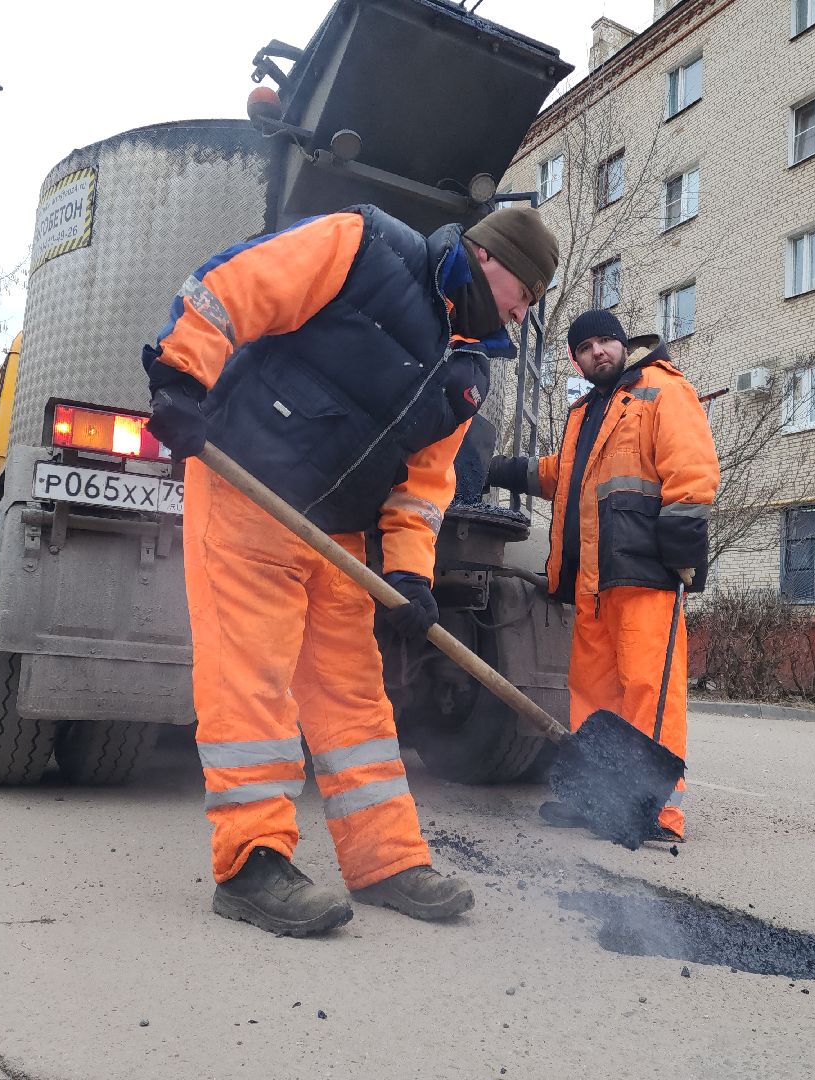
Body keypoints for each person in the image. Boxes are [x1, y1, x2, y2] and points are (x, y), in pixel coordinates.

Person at [142, 204, 559, 936]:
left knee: (356, 700)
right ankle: (253, 863)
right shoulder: (365, 246)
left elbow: (424, 487)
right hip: (245, 483)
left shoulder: (467, 371)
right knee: (252, 682)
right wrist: (182, 375)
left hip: (335, 529)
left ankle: (386, 859)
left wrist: (409, 578)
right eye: (525, 289)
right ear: (490, 258)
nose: (524, 311)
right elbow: (240, 285)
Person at [487, 309, 718, 843]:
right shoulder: (586, 413)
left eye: (606, 341)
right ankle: (602, 802)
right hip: (592, 582)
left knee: (646, 691)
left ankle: (659, 812)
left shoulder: (659, 390)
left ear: (622, 344)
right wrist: (497, 468)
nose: (598, 352)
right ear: (576, 358)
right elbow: (561, 476)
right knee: (592, 697)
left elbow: (693, 469)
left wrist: (680, 559)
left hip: (645, 575)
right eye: (586, 346)